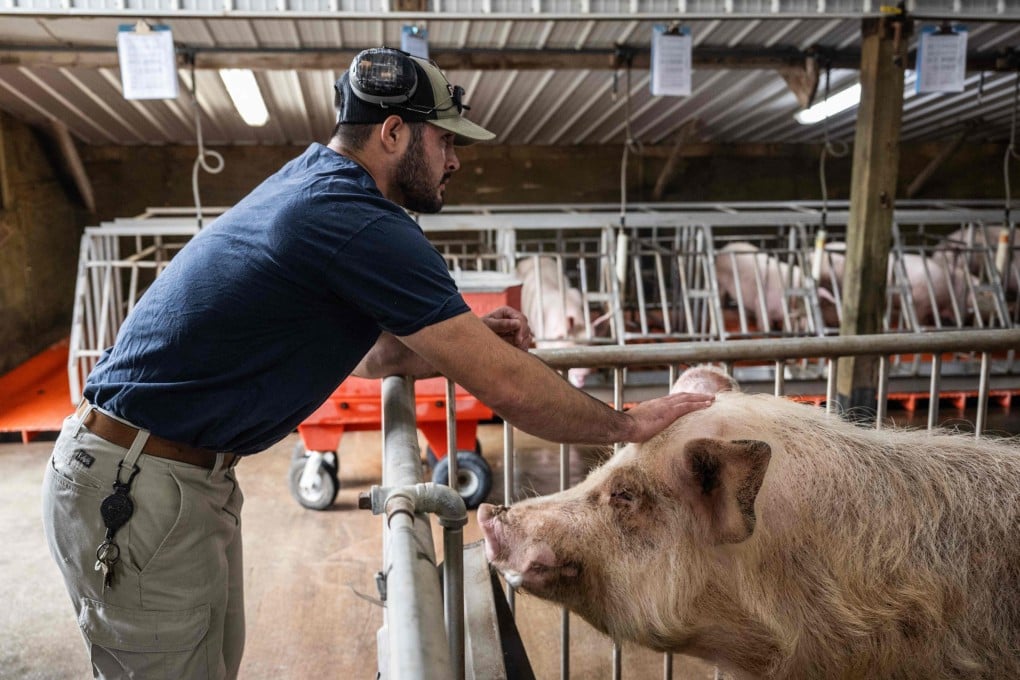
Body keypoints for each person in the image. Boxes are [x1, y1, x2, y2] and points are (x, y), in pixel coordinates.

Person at [41, 47, 714, 679]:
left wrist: (467, 338)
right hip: (136, 486)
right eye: (445, 140)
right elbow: (509, 387)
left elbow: (368, 353)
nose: (455, 161)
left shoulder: (317, 189)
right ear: (393, 134)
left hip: (173, 477)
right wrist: (629, 424)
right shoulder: (355, 217)